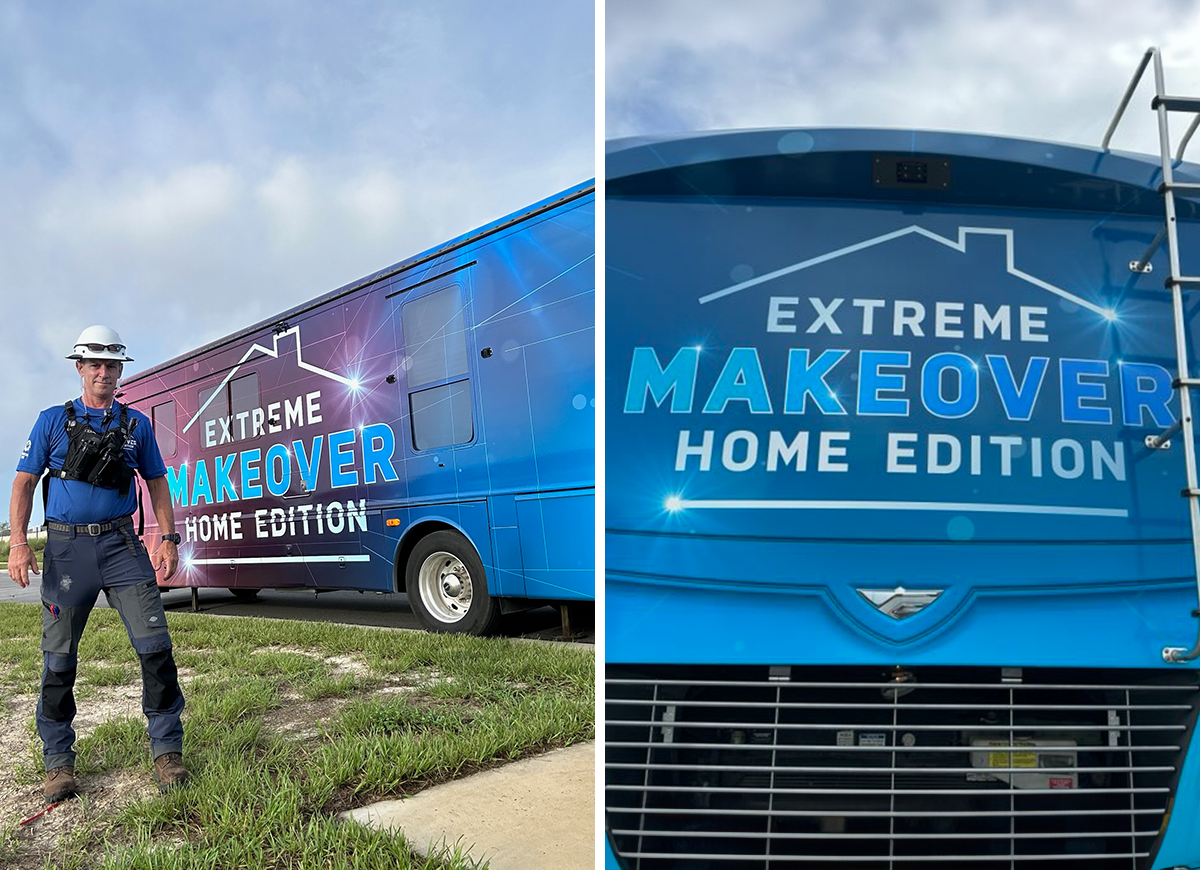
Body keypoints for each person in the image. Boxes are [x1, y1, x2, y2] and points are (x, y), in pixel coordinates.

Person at [7, 325, 189, 804]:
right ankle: (58, 763)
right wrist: (19, 543)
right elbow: (24, 483)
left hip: (122, 548)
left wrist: (167, 538)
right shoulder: (51, 421)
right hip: (67, 552)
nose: (105, 372)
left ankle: (167, 751)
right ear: (80, 368)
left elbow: (156, 483)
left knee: (155, 648)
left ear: (120, 369)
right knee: (59, 659)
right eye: (96, 365)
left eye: (113, 365)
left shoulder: (137, 426)